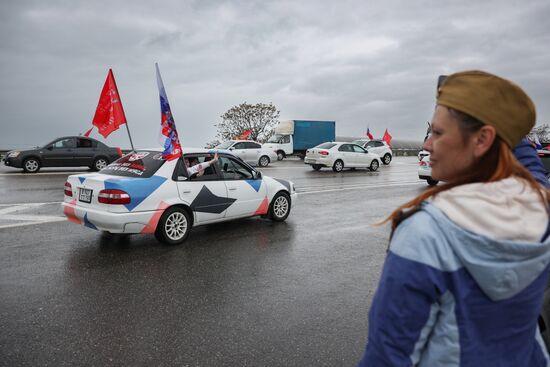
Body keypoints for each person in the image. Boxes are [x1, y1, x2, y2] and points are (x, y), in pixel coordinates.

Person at [358, 70, 550, 366]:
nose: (426, 145)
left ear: (483, 139)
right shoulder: (540, 206)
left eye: (437, 133)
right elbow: (533, 170)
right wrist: (502, 115)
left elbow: (387, 356)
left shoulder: (427, 232)